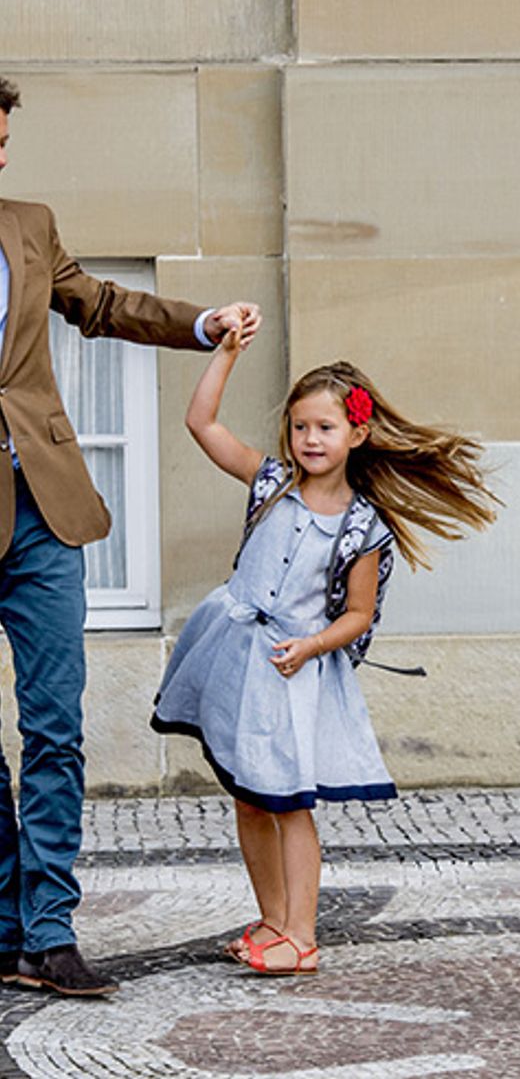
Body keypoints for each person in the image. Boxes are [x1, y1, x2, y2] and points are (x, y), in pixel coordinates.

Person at [0, 75, 261, 997]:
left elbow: (104, 305)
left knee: (55, 726)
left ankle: (49, 929)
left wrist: (202, 324)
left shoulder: (28, 224)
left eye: (1, 143)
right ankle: (6, 922)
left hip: (44, 510)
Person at [152, 330, 498, 975]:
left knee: (289, 801)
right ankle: (273, 920)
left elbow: (359, 614)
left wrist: (311, 645)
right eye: (300, 426)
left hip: (293, 670)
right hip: (239, 654)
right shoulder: (271, 482)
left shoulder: (363, 526)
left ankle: (302, 937)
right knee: (249, 795)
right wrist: (225, 352)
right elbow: (201, 423)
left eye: (325, 427)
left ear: (356, 435)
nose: (311, 439)